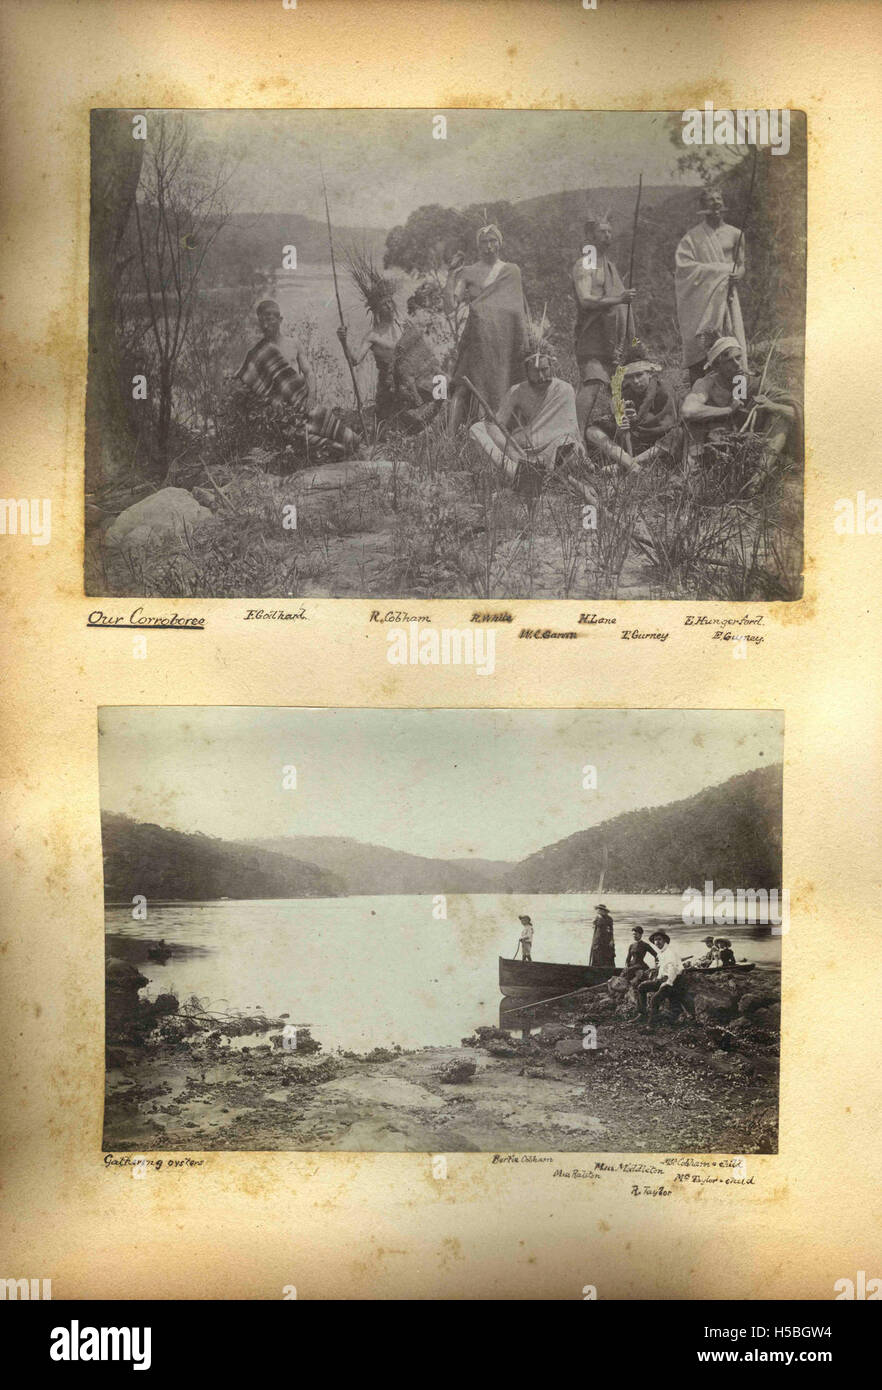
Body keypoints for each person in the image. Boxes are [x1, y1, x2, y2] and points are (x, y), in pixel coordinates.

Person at [230, 299, 362, 459]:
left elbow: (309, 373)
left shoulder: (293, 344)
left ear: (280, 320)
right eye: (262, 321)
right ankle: (341, 452)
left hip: (304, 402)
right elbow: (242, 379)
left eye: (270, 319)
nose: (265, 325)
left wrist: (311, 397)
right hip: (282, 413)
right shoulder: (257, 353)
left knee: (343, 434)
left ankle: (352, 446)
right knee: (304, 441)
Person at [337, 261, 442, 433]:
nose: (389, 306)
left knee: (443, 383)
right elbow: (355, 360)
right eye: (384, 304)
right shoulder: (373, 335)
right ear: (377, 310)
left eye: (390, 302)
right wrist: (344, 341)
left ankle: (429, 422)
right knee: (398, 425)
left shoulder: (405, 326)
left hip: (414, 383)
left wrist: (431, 371)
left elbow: (425, 356)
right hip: (391, 391)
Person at [680, 335, 801, 481]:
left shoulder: (754, 382)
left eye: (739, 358)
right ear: (717, 366)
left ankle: (757, 479)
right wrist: (728, 410)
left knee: (780, 418)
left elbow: (797, 413)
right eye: (730, 361)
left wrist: (772, 406)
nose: (737, 364)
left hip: (751, 439)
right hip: (715, 441)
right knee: (693, 424)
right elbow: (688, 411)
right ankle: (690, 478)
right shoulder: (706, 383)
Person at [444, 224, 527, 431]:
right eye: (483, 242)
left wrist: (524, 341)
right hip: (477, 340)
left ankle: (499, 434)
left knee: (506, 387)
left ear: (500, 243)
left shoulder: (512, 271)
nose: (489, 246)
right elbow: (450, 307)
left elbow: (518, 311)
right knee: (462, 388)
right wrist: (451, 275)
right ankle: (448, 440)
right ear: (477, 246)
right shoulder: (467, 272)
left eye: (493, 241)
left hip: (504, 344)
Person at [468, 343, 582, 492]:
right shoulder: (517, 391)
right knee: (477, 428)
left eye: (544, 370)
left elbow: (570, 430)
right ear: (527, 370)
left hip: (555, 451)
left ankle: (531, 478)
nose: (541, 377)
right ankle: (519, 475)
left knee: (569, 444)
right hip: (522, 454)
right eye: (535, 371)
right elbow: (495, 424)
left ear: (551, 367)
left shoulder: (564, 389)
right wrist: (511, 450)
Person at [572, 213, 637, 435]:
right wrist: (620, 299)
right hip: (592, 335)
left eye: (610, 231)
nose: (607, 235)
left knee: (617, 388)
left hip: (612, 340)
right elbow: (586, 299)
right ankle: (575, 436)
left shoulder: (609, 265)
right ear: (591, 235)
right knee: (592, 382)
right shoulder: (586, 264)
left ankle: (621, 441)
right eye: (602, 231)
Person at [675, 187, 747, 384]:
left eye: (718, 198)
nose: (715, 202)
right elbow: (684, 268)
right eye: (710, 200)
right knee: (702, 344)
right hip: (702, 301)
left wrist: (736, 275)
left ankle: (736, 392)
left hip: (727, 297)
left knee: (731, 340)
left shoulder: (735, 234)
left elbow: (740, 265)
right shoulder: (692, 238)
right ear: (702, 206)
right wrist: (723, 270)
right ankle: (700, 391)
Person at [585, 359, 678, 463]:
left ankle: (631, 463)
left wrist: (634, 421)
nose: (636, 381)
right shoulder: (626, 393)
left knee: (677, 434)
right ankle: (628, 463)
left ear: (650, 373)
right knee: (592, 431)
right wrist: (620, 426)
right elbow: (620, 428)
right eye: (629, 377)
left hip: (657, 440)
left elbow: (667, 423)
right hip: (635, 438)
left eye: (639, 375)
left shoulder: (664, 391)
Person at [636, 930, 692, 1026]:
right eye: (655, 940)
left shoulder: (669, 952)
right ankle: (642, 1014)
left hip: (674, 982)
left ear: (665, 940)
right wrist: (657, 978)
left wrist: (667, 983)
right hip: (664, 980)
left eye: (659, 939)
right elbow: (662, 969)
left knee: (655, 999)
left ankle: (651, 1025)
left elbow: (673, 969)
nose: (657, 942)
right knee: (642, 987)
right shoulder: (661, 953)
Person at [589, 903, 615, 968]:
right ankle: (595, 968)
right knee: (597, 953)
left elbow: (611, 930)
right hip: (598, 939)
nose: (598, 911)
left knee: (607, 955)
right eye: (598, 910)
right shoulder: (597, 918)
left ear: (603, 911)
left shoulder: (609, 919)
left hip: (606, 939)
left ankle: (607, 969)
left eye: (599, 910)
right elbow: (594, 926)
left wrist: (612, 940)